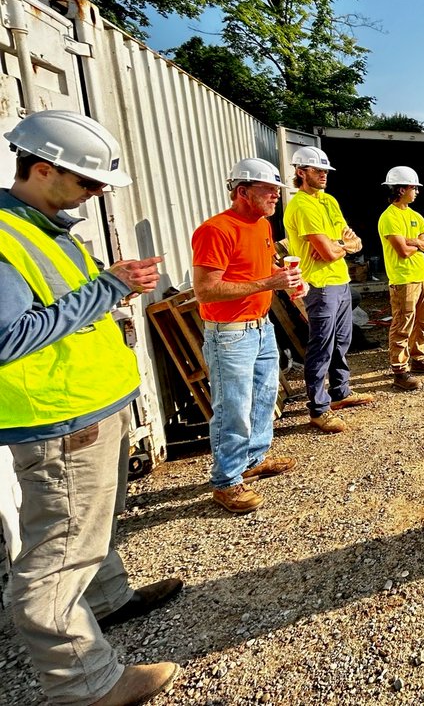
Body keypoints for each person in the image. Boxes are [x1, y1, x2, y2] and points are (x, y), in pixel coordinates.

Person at [1, 111, 180, 706]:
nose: (97, 194)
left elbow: (66, 310)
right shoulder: (5, 236)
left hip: (91, 407)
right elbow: (7, 338)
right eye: (87, 182)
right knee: (57, 554)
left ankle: (108, 602)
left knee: (90, 525)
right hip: (59, 419)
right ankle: (85, 684)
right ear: (42, 168)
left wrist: (111, 287)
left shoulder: (47, 224)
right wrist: (106, 288)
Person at [192, 158, 300, 515]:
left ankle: (252, 459)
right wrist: (271, 282)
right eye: (269, 190)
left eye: (276, 191)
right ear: (243, 191)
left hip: (260, 326)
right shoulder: (216, 230)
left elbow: (264, 266)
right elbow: (206, 291)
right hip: (230, 335)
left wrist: (285, 278)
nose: (275, 197)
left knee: (264, 398)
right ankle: (226, 482)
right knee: (233, 407)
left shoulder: (263, 226)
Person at [282, 146, 374, 434]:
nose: (323, 175)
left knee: (342, 341)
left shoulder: (328, 201)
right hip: (320, 285)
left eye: (325, 171)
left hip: (340, 279)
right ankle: (318, 410)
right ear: (300, 172)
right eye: (317, 170)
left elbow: (354, 241)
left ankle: (340, 392)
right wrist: (340, 246)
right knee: (321, 346)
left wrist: (340, 246)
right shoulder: (301, 206)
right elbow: (326, 250)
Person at [377, 166, 424, 392]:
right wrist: (418, 243)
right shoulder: (388, 218)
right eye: (414, 187)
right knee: (403, 324)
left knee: (423, 321)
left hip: (421, 277)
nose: (417, 192)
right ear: (401, 189)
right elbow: (402, 251)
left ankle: (418, 359)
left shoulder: (416, 215)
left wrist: (412, 241)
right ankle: (400, 370)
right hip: (403, 279)